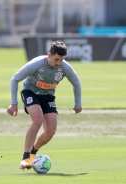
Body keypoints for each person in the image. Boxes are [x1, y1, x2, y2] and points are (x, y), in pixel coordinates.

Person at [7, 41, 82, 170]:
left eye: (61, 59)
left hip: (48, 96)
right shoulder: (37, 64)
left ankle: (33, 152)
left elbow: (76, 83)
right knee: (38, 120)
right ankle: (25, 158)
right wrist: (14, 103)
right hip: (30, 92)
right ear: (49, 55)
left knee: (51, 131)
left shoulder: (64, 67)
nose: (58, 63)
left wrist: (78, 104)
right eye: (56, 59)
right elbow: (15, 79)